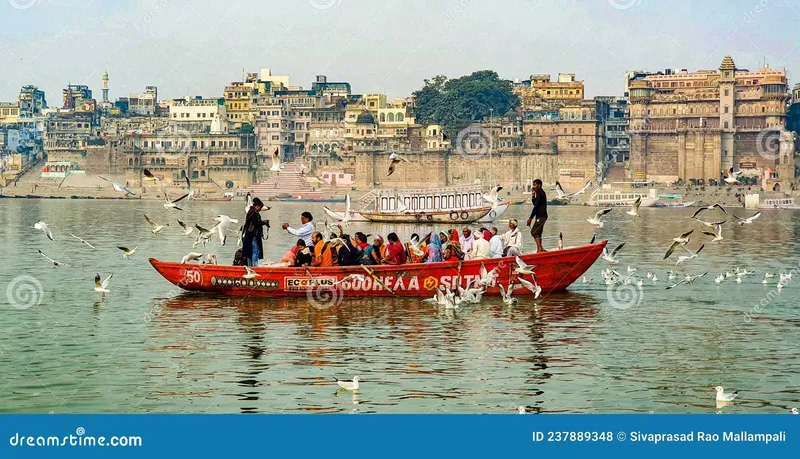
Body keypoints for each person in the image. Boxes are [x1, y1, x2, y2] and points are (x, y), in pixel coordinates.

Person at [242, 197, 270, 267]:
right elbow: (256, 224)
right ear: (257, 206)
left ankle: (250, 266)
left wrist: (263, 222)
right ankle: (255, 267)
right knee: (255, 252)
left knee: (249, 252)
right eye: (260, 207)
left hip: (249, 236)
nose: (261, 209)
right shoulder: (254, 213)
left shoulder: (250, 212)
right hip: (253, 236)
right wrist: (264, 222)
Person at [527, 178, 548, 253]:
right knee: (538, 233)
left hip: (541, 216)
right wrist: (533, 196)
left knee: (534, 232)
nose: (534, 186)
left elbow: (535, 207)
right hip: (541, 216)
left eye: (535, 185)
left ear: (539, 185)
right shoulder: (539, 193)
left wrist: (530, 218)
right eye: (533, 185)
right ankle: (540, 248)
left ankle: (540, 249)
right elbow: (535, 203)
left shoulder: (540, 193)